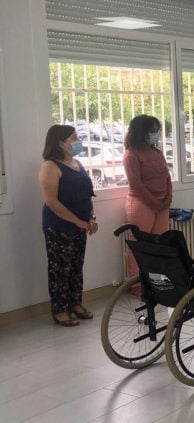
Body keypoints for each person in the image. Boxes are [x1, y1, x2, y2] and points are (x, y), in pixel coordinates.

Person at [38, 125, 98, 326]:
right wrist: (78, 221)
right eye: (73, 138)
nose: (78, 141)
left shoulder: (77, 163)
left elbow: (87, 194)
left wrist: (91, 218)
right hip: (59, 226)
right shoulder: (50, 166)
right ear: (60, 143)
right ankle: (60, 310)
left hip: (81, 225)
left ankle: (75, 303)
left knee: (75, 266)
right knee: (60, 269)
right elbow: (51, 202)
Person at [123, 115, 172, 279]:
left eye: (157, 131)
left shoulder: (157, 152)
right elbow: (136, 183)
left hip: (162, 204)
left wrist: (168, 198)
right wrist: (154, 203)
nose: (156, 134)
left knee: (158, 244)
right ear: (140, 132)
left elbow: (167, 177)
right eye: (152, 131)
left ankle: (157, 282)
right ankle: (137, 283)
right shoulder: (131, 154)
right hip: (142, 204)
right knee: (140, 245)